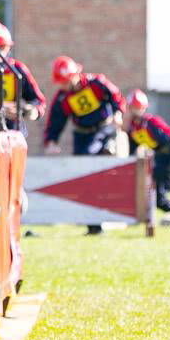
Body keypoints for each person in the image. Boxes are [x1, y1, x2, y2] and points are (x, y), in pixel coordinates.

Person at [43, 55, 125, 234]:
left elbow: (116, 97)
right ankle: (93, 226)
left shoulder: (96, 83)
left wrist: (118, 113)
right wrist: (51, 142)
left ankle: (109, 153)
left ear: (75, 75)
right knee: (83, 176)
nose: (64, 85)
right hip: (82, 136)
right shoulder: (62, 98)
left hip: (104, 130)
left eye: (66, 81)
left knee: (98, 165)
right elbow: (55, 122)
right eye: (61, 82)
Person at [125, 89, 170, 224]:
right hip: (159, 158)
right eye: (133, 108)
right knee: (154, 195)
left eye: (138, 107)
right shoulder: (132, 128)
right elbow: (133, 149)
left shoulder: (151, 122)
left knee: (158, 199)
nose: (136, 111)